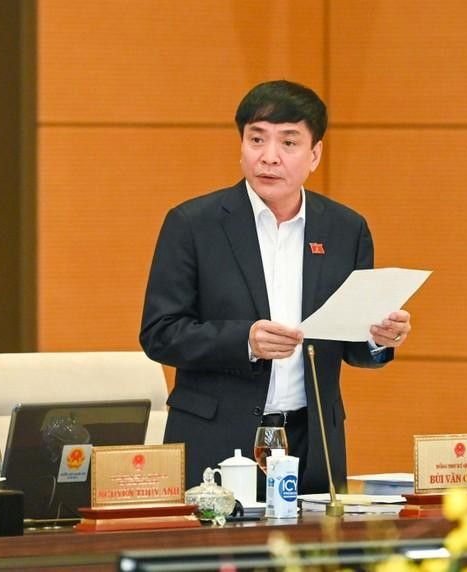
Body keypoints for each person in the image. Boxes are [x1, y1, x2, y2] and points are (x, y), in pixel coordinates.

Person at [140, 80, 411, 495]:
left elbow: (355, 347)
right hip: (216, 440)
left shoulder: (345, 229)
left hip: (313, 441)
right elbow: (160, 333)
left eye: (288, 143)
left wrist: (378, 338)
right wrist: (244, 340)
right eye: (256, 139)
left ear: (314, 154)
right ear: (241, 145)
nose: (269, 157)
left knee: (308, 559)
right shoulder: (193, 224)